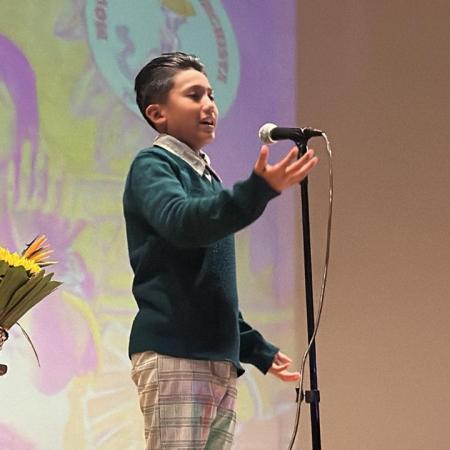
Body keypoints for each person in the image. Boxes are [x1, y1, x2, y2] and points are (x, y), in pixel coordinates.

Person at [123, 52, 318, 450]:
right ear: (158, 114)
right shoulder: (153, 165)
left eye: (211, 94)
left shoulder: (207, 178)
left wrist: (254, 348)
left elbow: (207, 284)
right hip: (176, 352)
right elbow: (182, 223)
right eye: (194, 95)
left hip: (216, 360)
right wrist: (256, 191)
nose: (209, 105)